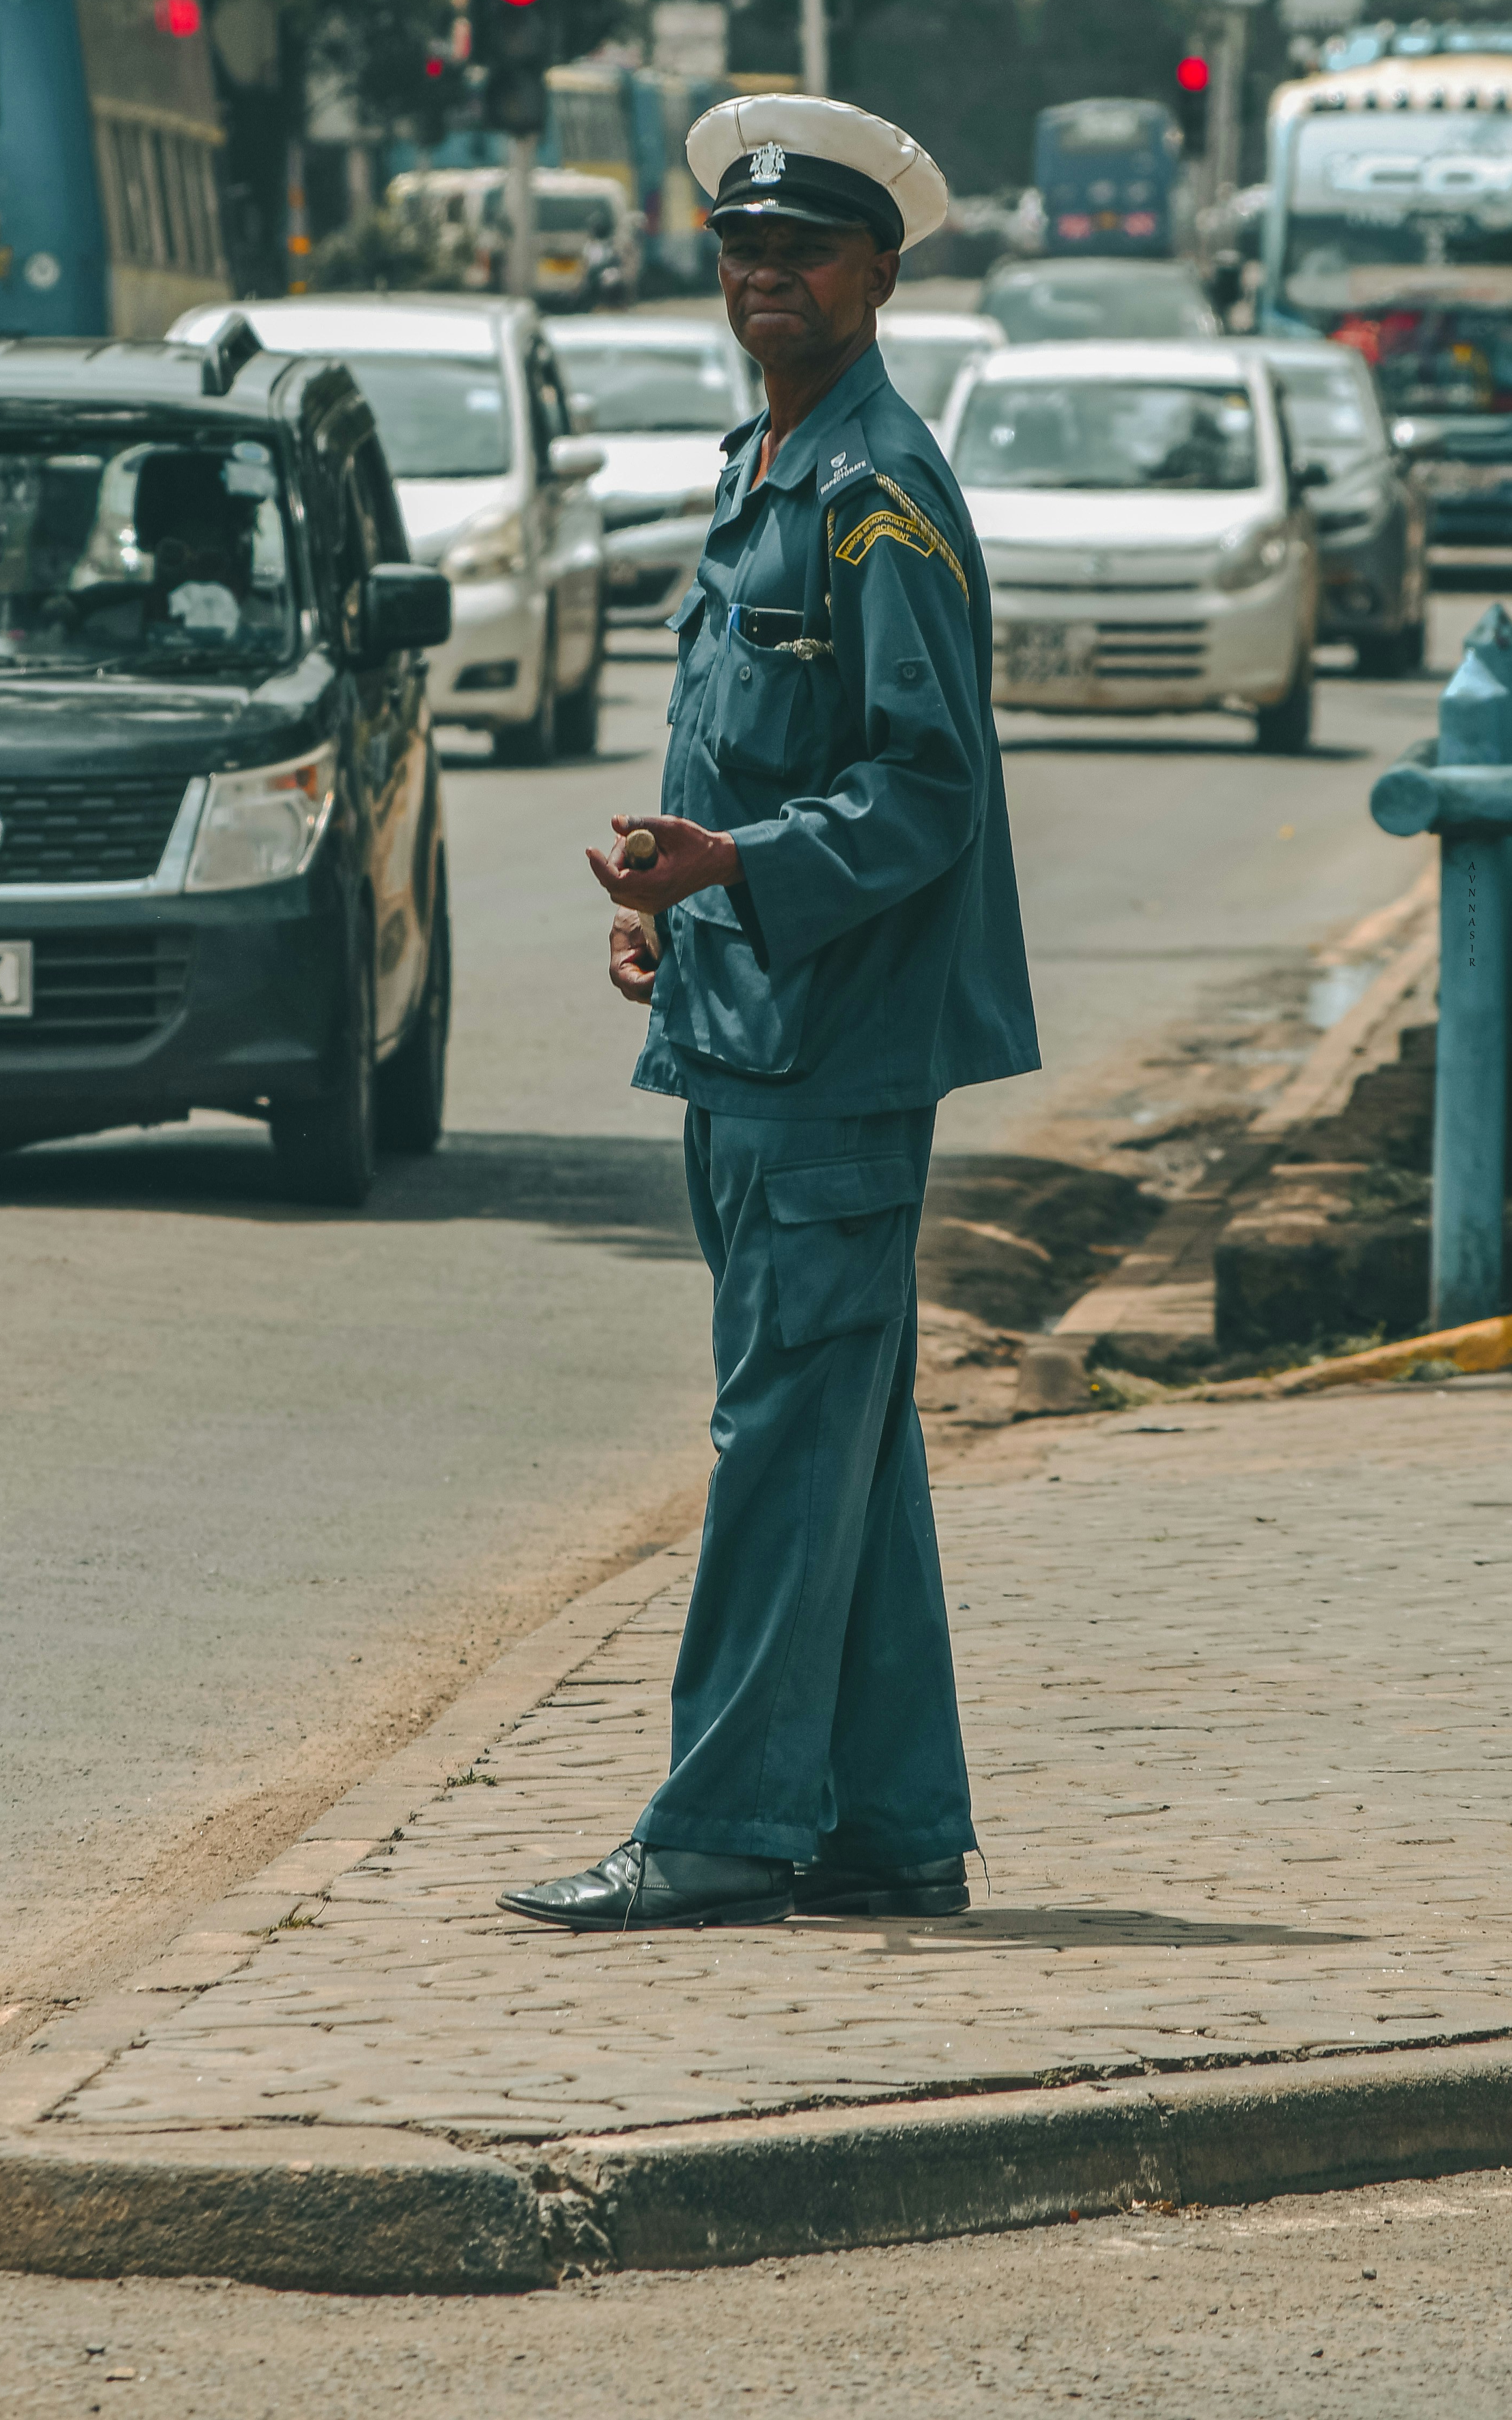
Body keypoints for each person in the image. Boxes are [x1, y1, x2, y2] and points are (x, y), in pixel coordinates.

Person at [498, 93, 1039, 1934]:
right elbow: (745, 749)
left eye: (802, 253)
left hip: (833, 1057)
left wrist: (734, 869)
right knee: (845, 1442)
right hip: (747, 1032)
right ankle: (887, 1829)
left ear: (879, 275)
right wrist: (679, 897)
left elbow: (927, 792)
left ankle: (723, 1829)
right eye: (740, 252)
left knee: (783, 1443)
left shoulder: (882, 487)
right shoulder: (768, 462)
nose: (765, 280)